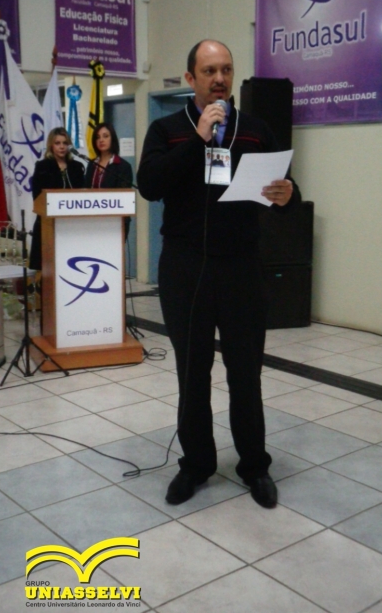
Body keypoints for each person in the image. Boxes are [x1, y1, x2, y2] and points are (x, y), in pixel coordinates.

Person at [137, 40, 300, 509]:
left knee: (246, 372)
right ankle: (196, 464)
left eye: (226, 69)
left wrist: (288, 193)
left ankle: (255, 466)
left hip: (241, 267)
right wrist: (198, 139)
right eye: (209, 71)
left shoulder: (256, 129)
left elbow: (285, 189)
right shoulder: (168, 129)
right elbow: (149, 184)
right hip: (185, 267)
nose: (220, 79)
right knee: (193, 372)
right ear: (191, 78)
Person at [29, 127, 85, 271]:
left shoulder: (77, 167)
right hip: (48, 224)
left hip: (72, 225)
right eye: (57, 143)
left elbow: (83, 194)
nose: (61, 147)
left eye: (65, 143)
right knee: (48, 268)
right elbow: (37, 196)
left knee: (71, 265)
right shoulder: (42, 166)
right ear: (51, 145)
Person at [84, 122, 134, 240]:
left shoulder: (123, 166)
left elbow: (122, 198)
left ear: (112, 139)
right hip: (91, 222)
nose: (101, 140)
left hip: (114, 223)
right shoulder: (92, 165)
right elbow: (85, 191)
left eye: (105, 136)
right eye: (98, 137)